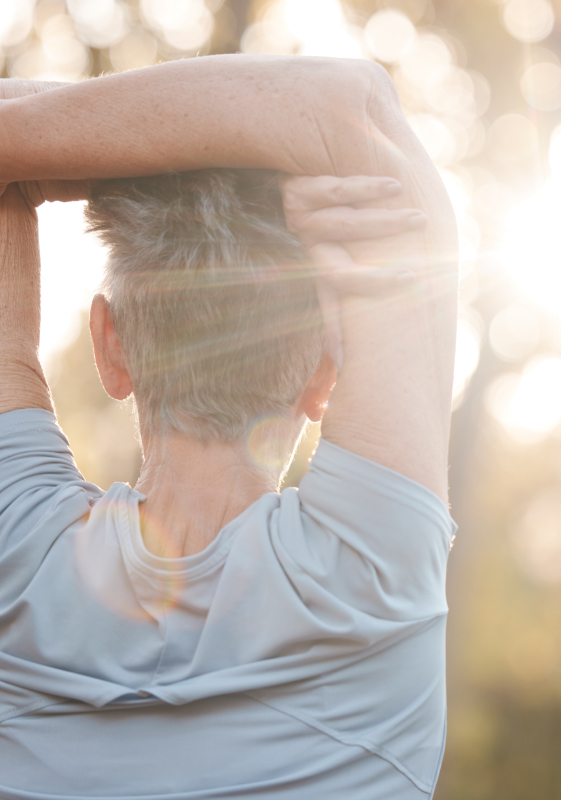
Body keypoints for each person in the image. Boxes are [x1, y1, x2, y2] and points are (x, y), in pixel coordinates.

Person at [0, 56, 458, 799]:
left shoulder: (12, 548)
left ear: (109, 348)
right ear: (325, 374)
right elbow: (357, 106)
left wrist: (49, 162)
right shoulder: (372, 575)